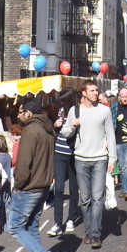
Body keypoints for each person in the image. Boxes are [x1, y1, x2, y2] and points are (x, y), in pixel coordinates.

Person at [61, 80, 116, 249]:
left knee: (97, 197)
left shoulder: (104, 110)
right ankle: (88, 230)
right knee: (84, 199)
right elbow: (65, 132)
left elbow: (111, 134)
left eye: (96, 90)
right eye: (92, 90)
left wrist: (112, 158)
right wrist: (72, 124)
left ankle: (95, 234)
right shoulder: (74, 110)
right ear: (83, 93)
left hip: (100, 158)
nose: (96, 93)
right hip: (81, 159)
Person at [8, 98, 57, 252]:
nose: (18, 115)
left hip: (28, 188)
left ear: (28, 113)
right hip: (44, 185)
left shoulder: (30, 130)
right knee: (32, 227)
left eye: (20, 112)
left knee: (15, 227)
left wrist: (18, 185)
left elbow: (23, 163)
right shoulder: (48, 128)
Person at [47, 87, 80, 237]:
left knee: (73, 189)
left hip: (73, 154)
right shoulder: (61, 111)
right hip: (59, 153)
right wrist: (55, 127)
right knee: (59, 189)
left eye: (62, 100)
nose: (60, 103)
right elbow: (58, 132)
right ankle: (57, 223)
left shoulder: (79, 111)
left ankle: (71, 219)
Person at [0, 135, 12, 232]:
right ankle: (8, 225)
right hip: (8, 182)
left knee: (0, 205)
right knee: (8, 204)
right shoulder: (8, 156)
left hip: (1, 183)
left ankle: (1, 225)